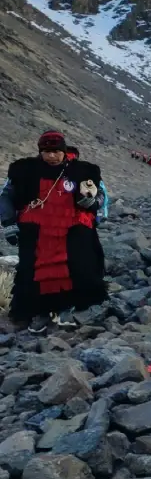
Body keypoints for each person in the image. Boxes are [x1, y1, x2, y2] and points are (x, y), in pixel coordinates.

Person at [0, 131, 106, 333]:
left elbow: (99, 195)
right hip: (35, 226)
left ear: (64, 151)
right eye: (46, 152)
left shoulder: (83, 171)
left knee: (76, 265)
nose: (51, 156)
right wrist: (9, 223)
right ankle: (39, 311)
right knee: (34, 270)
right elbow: (6, 196)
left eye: (55, 151)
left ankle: (70, 308)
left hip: (73, 225)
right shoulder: (24, 170)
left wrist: (92, 202)